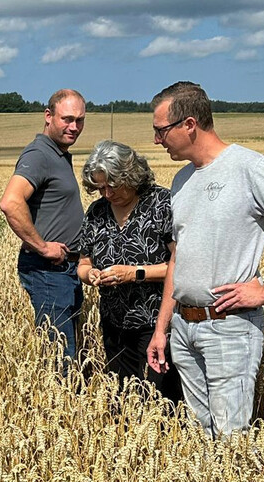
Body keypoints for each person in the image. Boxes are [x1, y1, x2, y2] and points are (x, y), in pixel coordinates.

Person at [146, 82, 264, 437]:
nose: (157, 140)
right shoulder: (182, 179)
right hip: (183, 327)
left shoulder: (248, 167)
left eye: (161, 130)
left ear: (189, 124)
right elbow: (179, 257)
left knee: (232, 439)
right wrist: (161, 328)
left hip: (228, 326)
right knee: (200, 436)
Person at [76, 140, 182, 403]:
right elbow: (83, 263)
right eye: (100, 187)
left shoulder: (161, 204)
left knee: (161, 398)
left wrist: (135, 273)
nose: (106, 194)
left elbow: (181, 263)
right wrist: (91, 275)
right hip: (114, 323)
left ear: (130, 176)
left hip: (157, 322)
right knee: (123, 398)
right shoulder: (97, 212)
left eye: (112, 186)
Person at [0, 89, 87, 366]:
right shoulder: (40, 154)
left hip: (64, 270)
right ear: (48, 116)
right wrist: (42, 247)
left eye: (80, 120)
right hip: (49, 270)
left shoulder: (57, 154)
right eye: (67, 119)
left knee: (70, 349)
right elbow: (11, 202)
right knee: (60, 358)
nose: (74, 127)